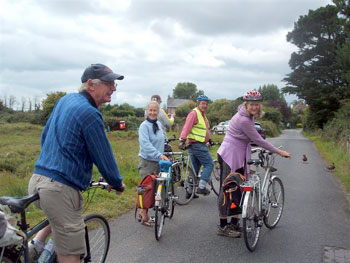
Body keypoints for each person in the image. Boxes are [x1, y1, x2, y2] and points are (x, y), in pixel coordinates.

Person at [28, 63, 125, 263]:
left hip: (37, 180)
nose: (113, 88)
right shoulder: (90, 114)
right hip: (59, 191)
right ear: (91, 84)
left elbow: (45, 136)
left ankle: (35, 246)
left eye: (114, 84)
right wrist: (116, 182)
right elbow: (103, 156)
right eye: (109, 83)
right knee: (70, 254)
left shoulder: (65, 100)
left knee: (60, 220)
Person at [216, 90, 291, 238]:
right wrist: (278, 151)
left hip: (238, 154)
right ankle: (223, 226)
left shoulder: (247, 116)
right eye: (251, 104)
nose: (254, 107)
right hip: (230, 155)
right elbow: (258, 140)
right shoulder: (243, 119)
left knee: (238, 189)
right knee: (227, 190)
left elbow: (249, 139)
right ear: (246, 104)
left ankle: (234, 223)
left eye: (257, 104)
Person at [138, 100, 169, 226]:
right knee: (146, 189)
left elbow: (161, 140)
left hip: (158, 161)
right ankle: (143, 215)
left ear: (158, 111)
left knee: (155, 189)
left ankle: (144, 213)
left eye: (154, 110)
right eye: (150, 110)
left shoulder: (158, 124)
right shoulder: (144, 126)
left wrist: (166, 150)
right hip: (147, 161)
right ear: (147, 111)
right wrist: (159, 154)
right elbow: (145, 145)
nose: (152, 112)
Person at [179, 95, 214, 197]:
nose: (205, 105)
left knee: (195, 168)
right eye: (203, 103)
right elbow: (187, 127)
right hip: (197, 145)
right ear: (198, 104)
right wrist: (182, 139)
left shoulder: (202, 115)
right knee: (209, 164)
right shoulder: (194, 113)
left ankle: (189, 191)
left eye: (206, 104)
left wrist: (209, 139)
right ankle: (201, 187)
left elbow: (204, 130)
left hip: (194, 145)